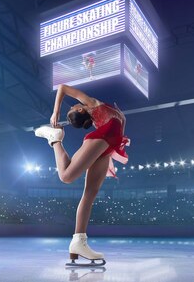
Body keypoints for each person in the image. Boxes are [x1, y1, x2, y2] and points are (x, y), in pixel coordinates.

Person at [35, 84, 129, 266]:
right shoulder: (92, 104)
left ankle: (78, 242)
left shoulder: (95, 106)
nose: (73, 105)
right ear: (79, 108)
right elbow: (62, 87)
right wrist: (55, 113)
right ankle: (55, 139)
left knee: (90, 193)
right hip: (105, 139)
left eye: (70, 108)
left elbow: (61, 88)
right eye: (73, 106)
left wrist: (56, 113)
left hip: (109, 144)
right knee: (66, 176)